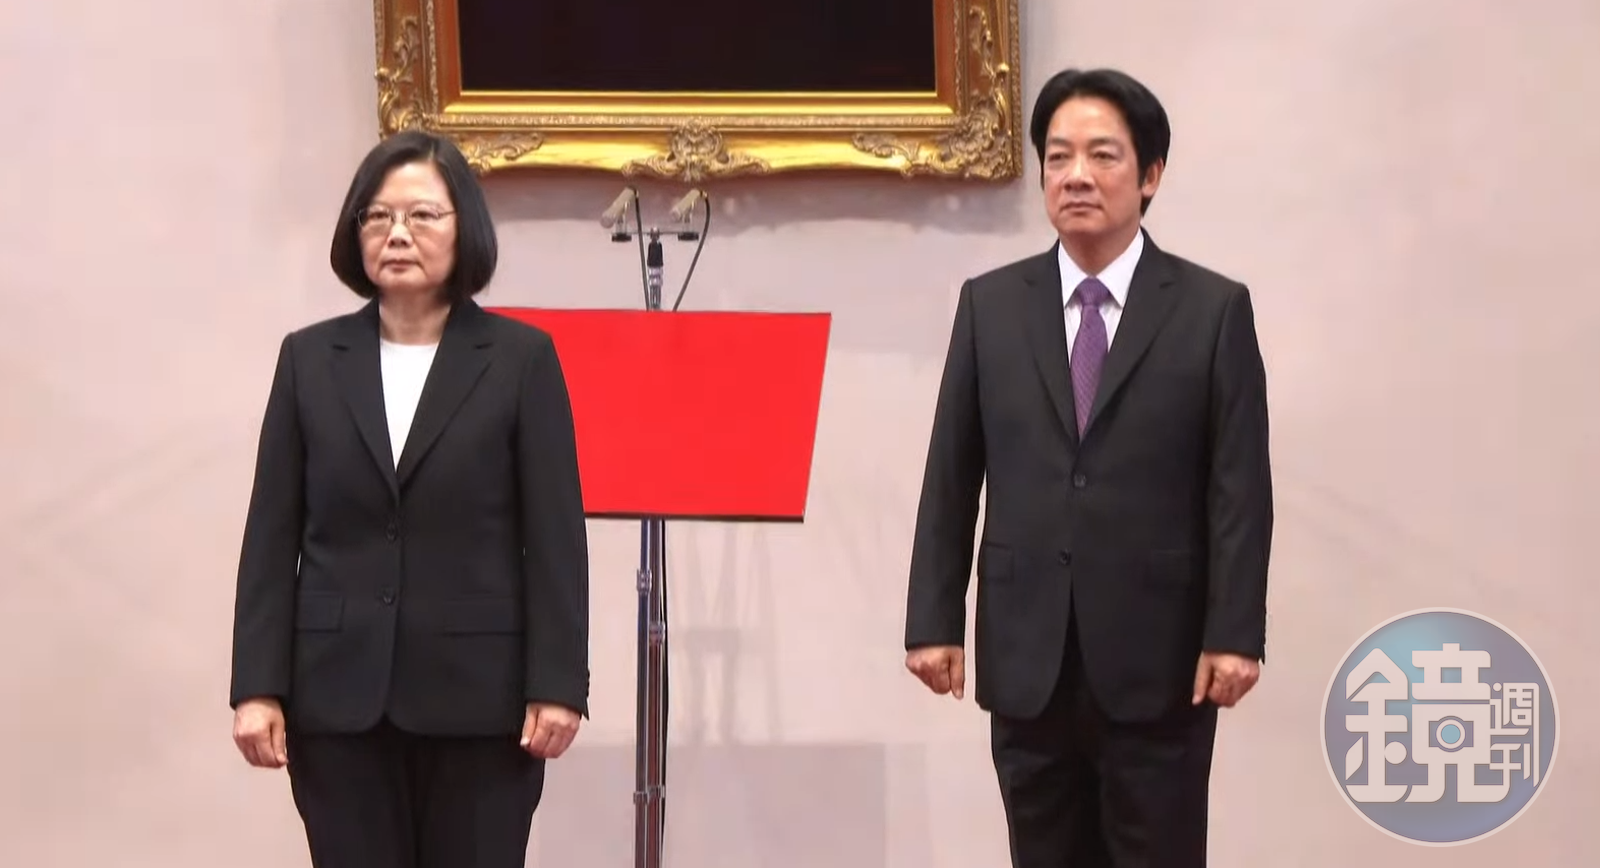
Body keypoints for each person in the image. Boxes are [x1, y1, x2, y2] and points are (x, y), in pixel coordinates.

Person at [903, 68, 1273, 867]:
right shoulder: (991, 306)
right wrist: (933, 617)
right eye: (1058, 156)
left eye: (1102, 155)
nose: (1076, 175)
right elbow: (951, 473)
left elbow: (1239, 489)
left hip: (1161, 659)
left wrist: (1235, 632)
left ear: (1150, 175)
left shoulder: (1211, 310)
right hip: (1027, 655)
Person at [227, 130, 591, 868]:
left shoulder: (521, 359)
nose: (396, 233)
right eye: (377, 216)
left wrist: (559, 683)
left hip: (483, 706)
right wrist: (257, 687)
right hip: (337, 702)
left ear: (466, 230)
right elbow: (270, 536)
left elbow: (555, 537)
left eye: (422, 215)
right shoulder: (309, 359)